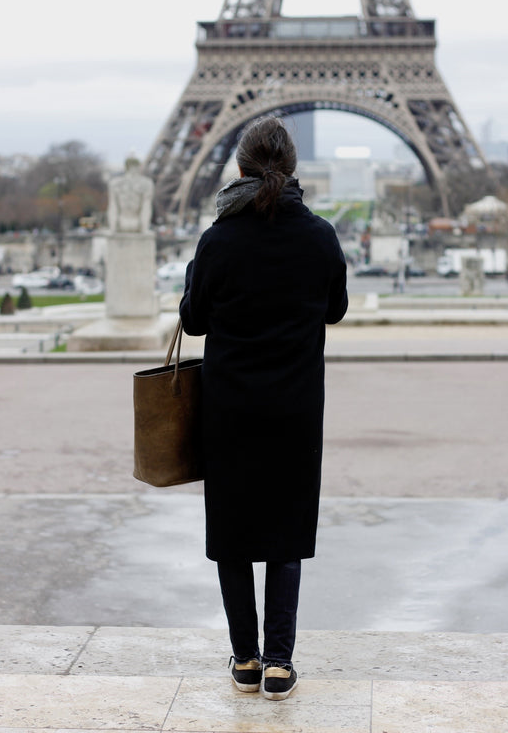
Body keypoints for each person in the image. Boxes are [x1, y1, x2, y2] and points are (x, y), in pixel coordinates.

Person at [179, 116, 348, 701]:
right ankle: (280, 662)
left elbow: (194, 321)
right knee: (286, 531)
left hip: (228, 408)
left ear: (241, 167)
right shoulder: (320, 235)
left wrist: (193, 278)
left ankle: (245, 658)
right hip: (296, 408)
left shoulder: (217, 240)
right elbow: (335, 310)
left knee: (233, 533)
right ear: (292, 166)